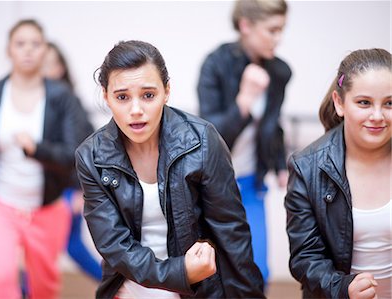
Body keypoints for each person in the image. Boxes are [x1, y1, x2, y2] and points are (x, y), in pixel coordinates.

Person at [75, 40, 265, 299]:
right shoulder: (91, 157)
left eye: (148, 95)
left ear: (167, 91)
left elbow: (232, 234)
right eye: (122, 97)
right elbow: (114, 246)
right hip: (130, 288)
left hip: (199, 289)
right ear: (106, 96)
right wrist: (181, 272)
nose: (136, 110)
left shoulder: (203, 141)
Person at [0, 19, 85, 299]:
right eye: (20, 44)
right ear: (9, 50)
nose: (28, 51)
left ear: (45, 50)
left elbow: (74, 153)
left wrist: (37, 149)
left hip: (47, 208)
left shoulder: (61, 97)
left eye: (35, 44)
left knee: (44, 288)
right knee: (0, 280)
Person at [197, 0, 291, 284]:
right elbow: (210, 137)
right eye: (272, 30)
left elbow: (272, 125)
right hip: (211, 185)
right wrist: (245, 99)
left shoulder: (279, 72)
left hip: (251, 182)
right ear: (245, 25)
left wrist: (279, 165)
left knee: (258, 273)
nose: (278, 38)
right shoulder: (215, 64)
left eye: (281, 30)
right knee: (210, 274)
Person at [285, 48, 391, 299]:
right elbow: (305, 257)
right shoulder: (307, 167)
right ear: (339, 103)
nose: (377, 116)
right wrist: (343, 287)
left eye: (389, 103)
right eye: (364, 102)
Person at [43, 41, 102, 281]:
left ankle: (114, 286)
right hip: (45, 190)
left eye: (49, 63)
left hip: (68, 189)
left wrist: (81, 190)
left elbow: (83, 148)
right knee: (48, 245)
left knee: (70, 246)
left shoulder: (69, 102)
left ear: (60, 69)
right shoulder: (33, 104)